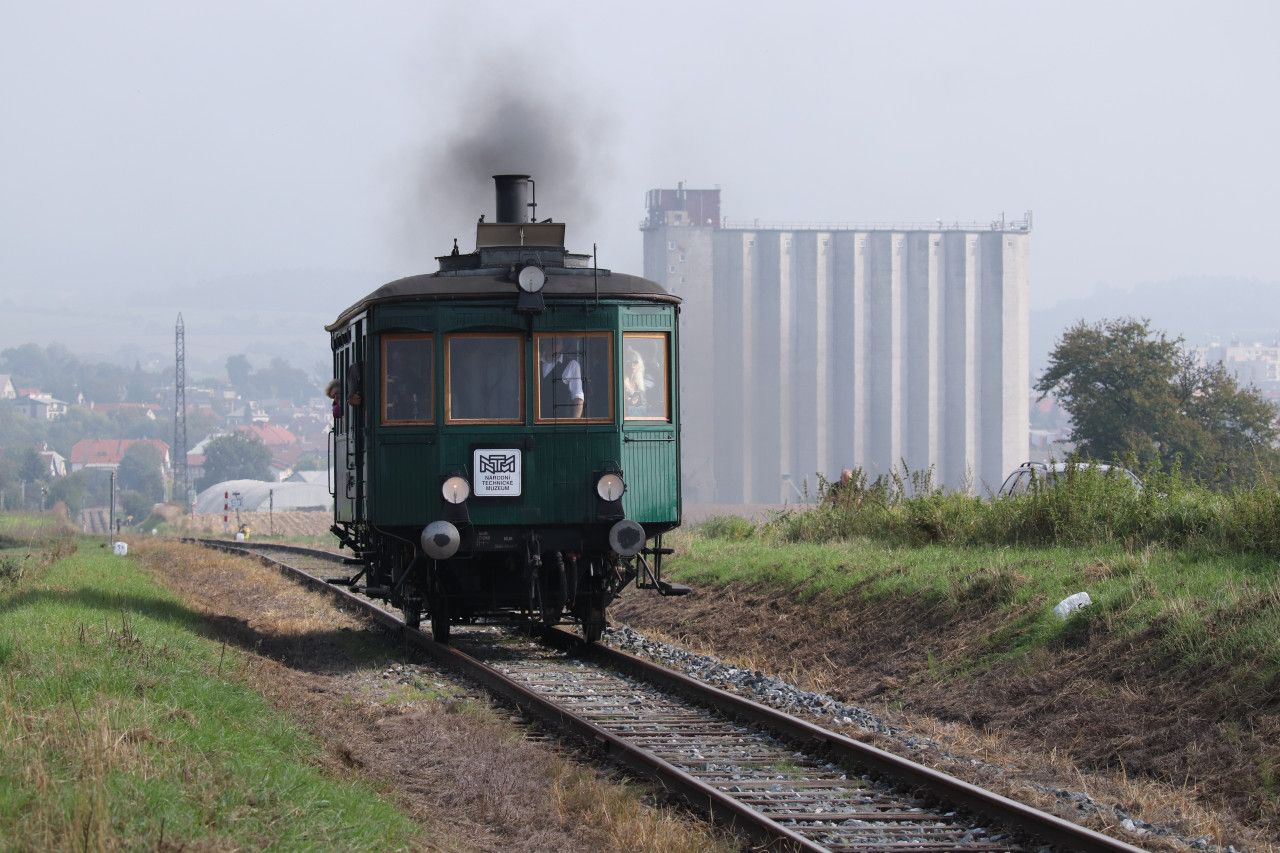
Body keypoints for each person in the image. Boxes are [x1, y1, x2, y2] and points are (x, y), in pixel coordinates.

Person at [539, 338, 584, 419]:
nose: (553, 344)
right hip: (535, 425)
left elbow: (578, 397)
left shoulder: (572, 365)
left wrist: (574, 425)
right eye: (550, 340)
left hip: (560, 423)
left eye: (557, 341)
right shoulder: (534, 362)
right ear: (543, 342)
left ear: (563, 344)